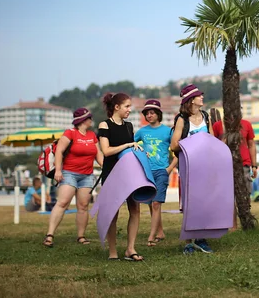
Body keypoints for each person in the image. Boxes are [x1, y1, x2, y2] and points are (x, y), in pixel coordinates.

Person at [43, 108, 103, 248]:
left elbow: (98, 154)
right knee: (62, 203)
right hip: (69, 173)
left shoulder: (92, 135)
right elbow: (59, 151)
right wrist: (58, 170)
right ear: (82, 120)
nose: (91, 120)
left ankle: (81, 236)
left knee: (83, 206)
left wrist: (106, 166)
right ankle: (49, 235)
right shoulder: (70, 133)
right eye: (89, 118)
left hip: (87, 175)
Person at [97, 93, 145, 261]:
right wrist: (127, 144)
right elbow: (106, 151)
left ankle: (130, 249)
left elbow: (129, 151)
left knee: (135, 210)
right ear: (116, 107)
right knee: (113, 213)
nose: (129, 110)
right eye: (126, 106)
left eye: (130, 106)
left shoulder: (129, 126)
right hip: (112, 174)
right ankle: (112, 252)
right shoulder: (105, 125)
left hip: (129, 174)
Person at [170, 84, 215, 254]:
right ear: (191, 100)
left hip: (205, 167)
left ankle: (201, 239)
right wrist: (195, 144)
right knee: (189, 204)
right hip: (189, 167)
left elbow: (211, 140)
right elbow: (174, 145)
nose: (202, 97)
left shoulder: (206, 116)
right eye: (199, 96)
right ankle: (189, 242)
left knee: (204, 203)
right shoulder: (181, 119)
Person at [135, 99, 177, 247]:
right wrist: (139, 152)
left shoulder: (168, 131)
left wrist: (170, 168)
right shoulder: (142, 131)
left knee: (156, 203)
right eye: (147, 113)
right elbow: (131, 146)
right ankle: (160, 232)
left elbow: (178, 151)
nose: (149, 115)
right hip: (146, 172)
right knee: (151, 204)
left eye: (152, 113)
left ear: (158, 114)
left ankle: (151, 236)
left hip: (162, 171)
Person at [212, 108, 257, 230]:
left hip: (244, 164)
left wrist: (254, 165)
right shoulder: (218, 125)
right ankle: (233, 227)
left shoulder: (246, 124)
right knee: (229, 197)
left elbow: (251, 145)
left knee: (245, 195)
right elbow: (213, 146)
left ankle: (247, 224)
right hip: (225, 164)